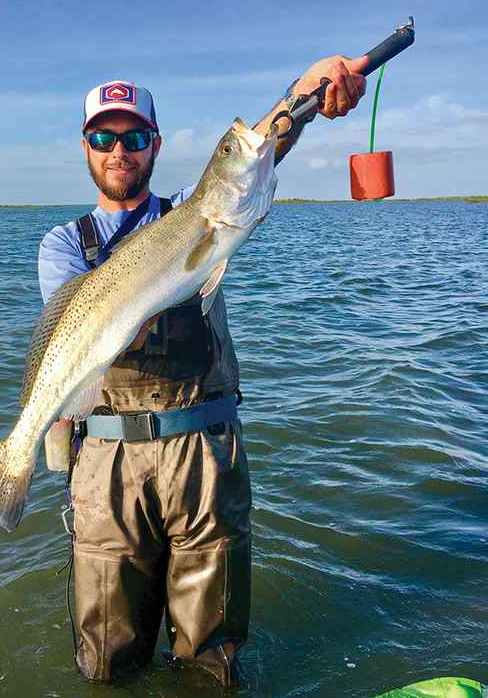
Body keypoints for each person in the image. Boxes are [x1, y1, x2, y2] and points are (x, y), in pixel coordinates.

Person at [38, 57, 368, 685]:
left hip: (205, 453)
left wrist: (306, 89)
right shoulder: (62, 245)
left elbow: (266, 144)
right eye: (104, 137)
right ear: (86, 147)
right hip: (106, 461)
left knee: (211, 658)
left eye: (133, 137)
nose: (118, 150)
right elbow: (84, 331)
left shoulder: (192, 212)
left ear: (155, 146)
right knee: (108, 662)